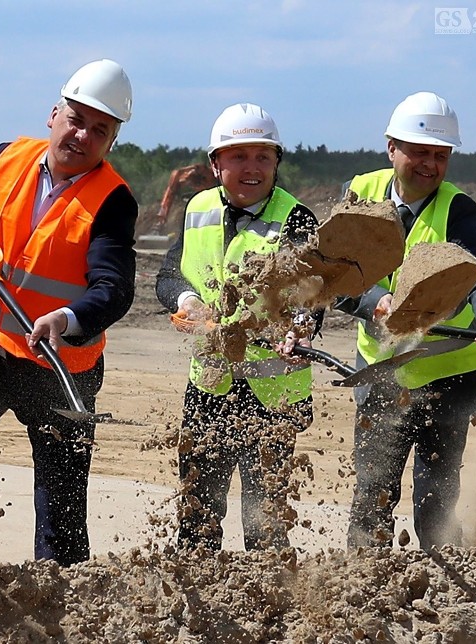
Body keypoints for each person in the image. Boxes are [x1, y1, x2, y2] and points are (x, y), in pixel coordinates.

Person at [0, 59, 138, 567]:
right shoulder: (7, 159)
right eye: (76, 119)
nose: (82, 135)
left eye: (99, 130)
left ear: (111, 141)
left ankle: (61, 590)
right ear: (53, 114)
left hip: (58, 362)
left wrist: (66, 319)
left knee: (62, 503)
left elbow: (115, 289)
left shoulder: (112, 200)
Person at [336, 91, 476, 549]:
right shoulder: (361, 192)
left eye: (440, 154)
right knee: (371, 497)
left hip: (447, 380)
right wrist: (375, 301)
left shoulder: (457, 208)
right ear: (392, 147)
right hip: (383, 380)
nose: (430, 165)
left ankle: (444, 595)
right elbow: (334, 274)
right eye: (419, 152)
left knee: (436, 503)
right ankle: (362, 592)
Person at [155, 103, 320, 552]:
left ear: (276, 163)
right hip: (209, 387)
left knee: (266, 523)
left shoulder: (297, 219)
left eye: (263, 157)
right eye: (239, 157)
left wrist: (301, 326)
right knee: (196, 515)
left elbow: (312, 292)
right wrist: (187, 302)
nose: (253, 168)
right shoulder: (198, 209)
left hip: (272, 395)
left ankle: (266, 610)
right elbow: (172, 273)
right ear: (215, 164)